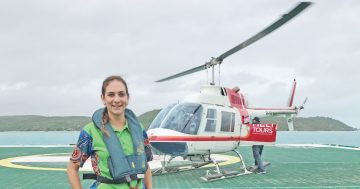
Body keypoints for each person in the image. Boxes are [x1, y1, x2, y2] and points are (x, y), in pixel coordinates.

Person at [67, 75, 153, 189]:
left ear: (127, 98)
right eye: (111, 95)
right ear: (103, 98)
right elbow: (72, 168)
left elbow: (145, 165)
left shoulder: (139, 129)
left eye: (121, 94)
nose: (117, 99)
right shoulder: (90, 131)